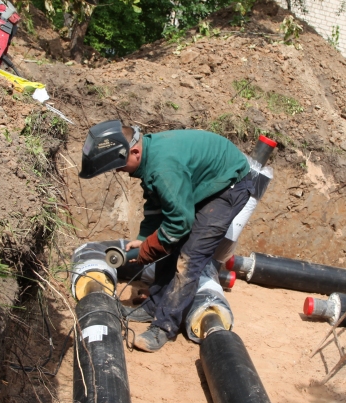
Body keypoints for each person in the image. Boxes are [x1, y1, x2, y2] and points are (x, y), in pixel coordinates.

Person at [79, 120, 252, 352]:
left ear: (135, 151)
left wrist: (147, 249)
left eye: (119, 165)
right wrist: (143, 238)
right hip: (205, 180)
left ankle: (164, 326)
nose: (117, 170)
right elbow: (157, 205)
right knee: (166, 242)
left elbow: (179, 222)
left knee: (189, 256)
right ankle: (153, 306)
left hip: (228, 186)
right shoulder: (151, 160)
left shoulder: (163, 168)